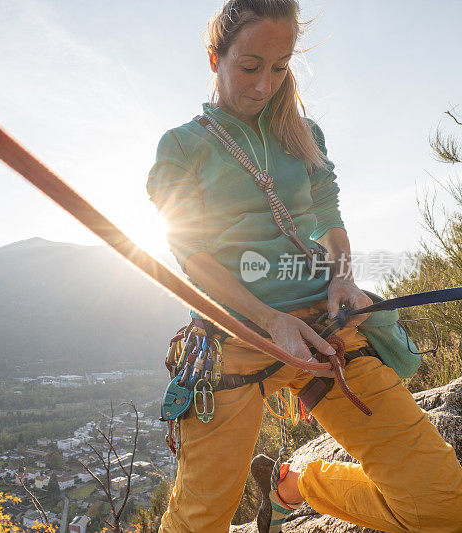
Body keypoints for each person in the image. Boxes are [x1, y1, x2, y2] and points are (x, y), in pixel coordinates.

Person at [146, 1, 462, 532]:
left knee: (445, 508)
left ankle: (297, 485)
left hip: (328, 335)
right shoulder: (181, 146)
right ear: (213, 57)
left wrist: (343, 279)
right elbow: (189, 255)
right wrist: (271, 322)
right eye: (250, 66)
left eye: (279, 67)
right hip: (234, 344)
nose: (264, 85)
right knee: (199, 524)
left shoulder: (303, 133)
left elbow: (328, 214)